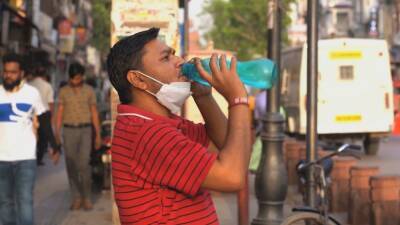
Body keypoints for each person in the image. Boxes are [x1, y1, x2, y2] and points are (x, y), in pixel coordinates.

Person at [107, 27, 251, 224]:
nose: (180, 62)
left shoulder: (162, 124)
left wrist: (204, 96)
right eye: (166, 58)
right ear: (138, 79)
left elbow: (230, 147)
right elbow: (233, 177)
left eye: (174, 55)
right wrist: (238, 99)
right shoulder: (148, 134)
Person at [0, 53, 59, 225]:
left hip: (25, 158)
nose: (8, 75)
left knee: (25, 201)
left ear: (21, 73)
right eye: (6, 71)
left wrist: (54, 146)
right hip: (1, 159)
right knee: (5, 202)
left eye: (13, 72)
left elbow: (45, 120)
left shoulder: (32, 94)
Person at [55, 62, 101, 210]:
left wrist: (98, 134)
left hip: (85, 130)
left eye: (78, 78)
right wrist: (56, 133)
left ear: (82, 77)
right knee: (71, 165)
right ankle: (76, 197)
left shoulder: (89, 91)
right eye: (73, 79)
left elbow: (94, 112)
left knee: (84, 164)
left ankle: (86, 197)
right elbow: (60, 112)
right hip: (68, 131)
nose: (75, 81)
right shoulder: (63, 91)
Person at [29, 65, 60, 165]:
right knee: (44, 136)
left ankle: (31, 156)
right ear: (44, 75)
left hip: (31, 113)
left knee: (32, 135)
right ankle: (41, 157)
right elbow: (50, 103)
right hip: (44, 113)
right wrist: (51, 116)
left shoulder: (29, 85)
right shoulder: (47, 86)